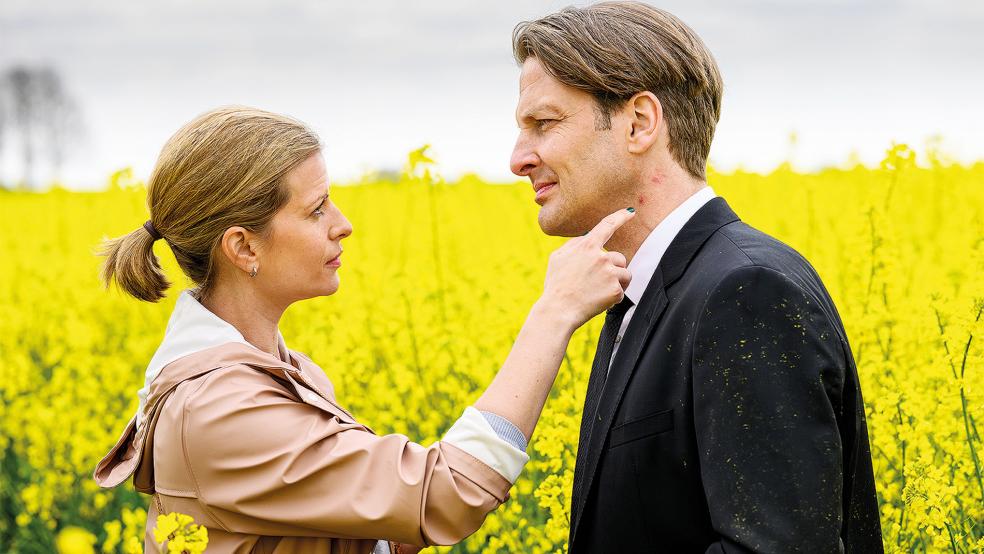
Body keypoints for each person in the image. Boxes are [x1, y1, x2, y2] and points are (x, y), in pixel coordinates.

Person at [93, 105, 635, 553]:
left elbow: (370, 530)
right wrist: (553, 314)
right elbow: (444, 494)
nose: (342, 224)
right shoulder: (217, 407)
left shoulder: (279, 371)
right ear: (243, 247)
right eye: (315, 210)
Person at [510, 3, 883, 552]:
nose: (518, 159)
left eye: (543, 123)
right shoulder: (647, 291)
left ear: (639, 123)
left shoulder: (747, 291)